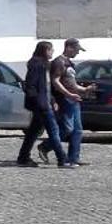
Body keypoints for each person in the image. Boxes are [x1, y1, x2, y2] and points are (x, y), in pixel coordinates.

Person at [41, 38, 91, 168]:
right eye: (76, 50)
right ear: (69, 47)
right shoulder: (59, 62)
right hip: (64, 99)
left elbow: (71, 83)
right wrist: (68, 94)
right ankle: (45, 146)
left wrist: (85, 89)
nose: (78, 53)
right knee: (67, 129)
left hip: (74, 99)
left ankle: (73, 158)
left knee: (78, 130)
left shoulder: (70, 63)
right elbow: (55, 81)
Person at [17, 42, 67, 168]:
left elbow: (46, 87)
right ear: (45, 51)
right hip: (42, 105)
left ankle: (23, 157)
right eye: (51, 50)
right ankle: (62, 159)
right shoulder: (37, 65)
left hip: (44, 103)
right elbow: (31, 86)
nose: (52, 52)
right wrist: (38, 102)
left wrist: (52, 100)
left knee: (33, 132)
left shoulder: (45, 65)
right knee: (54, 131)